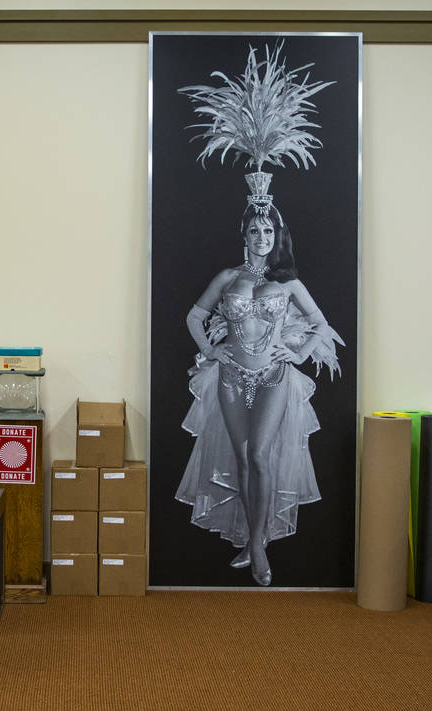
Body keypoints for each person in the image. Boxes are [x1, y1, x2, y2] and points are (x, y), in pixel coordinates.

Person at [175, 200, 342, 586]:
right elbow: (194, 316)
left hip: (274, 376)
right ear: (244, 235)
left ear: (277, 236)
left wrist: (298, 352)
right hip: (231, 375)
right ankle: (253, 540)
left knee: (260, 454)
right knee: (242, 459)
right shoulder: (228, 278)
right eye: (255, 231)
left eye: (269, 231)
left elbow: (320, 323)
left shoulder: (288, 283)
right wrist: (208, 349)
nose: (262, 238)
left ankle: (258, 546)